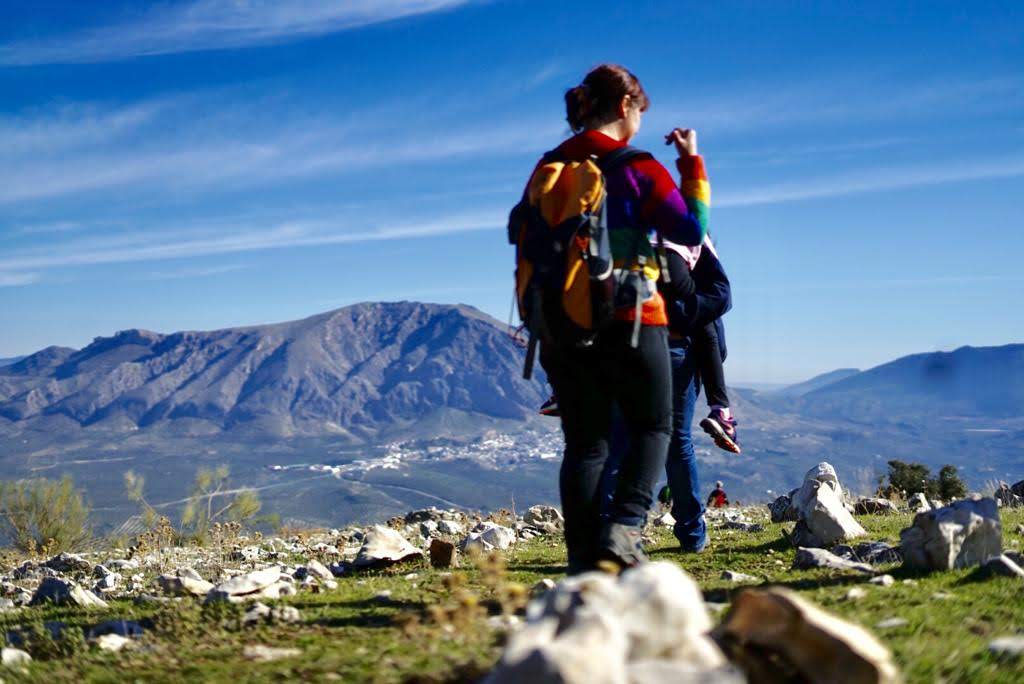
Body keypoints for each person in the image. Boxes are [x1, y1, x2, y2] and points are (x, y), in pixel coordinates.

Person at [529, 64, 708, 572]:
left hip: (561, 324)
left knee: (585, 445)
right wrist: (691, 163)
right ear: (627, 107)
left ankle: (583, 560)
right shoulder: (638, 166)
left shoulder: (549, 164)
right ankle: (624, 531)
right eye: (639, 113)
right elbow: (691, 230)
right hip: (633, 317)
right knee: (655, 427)